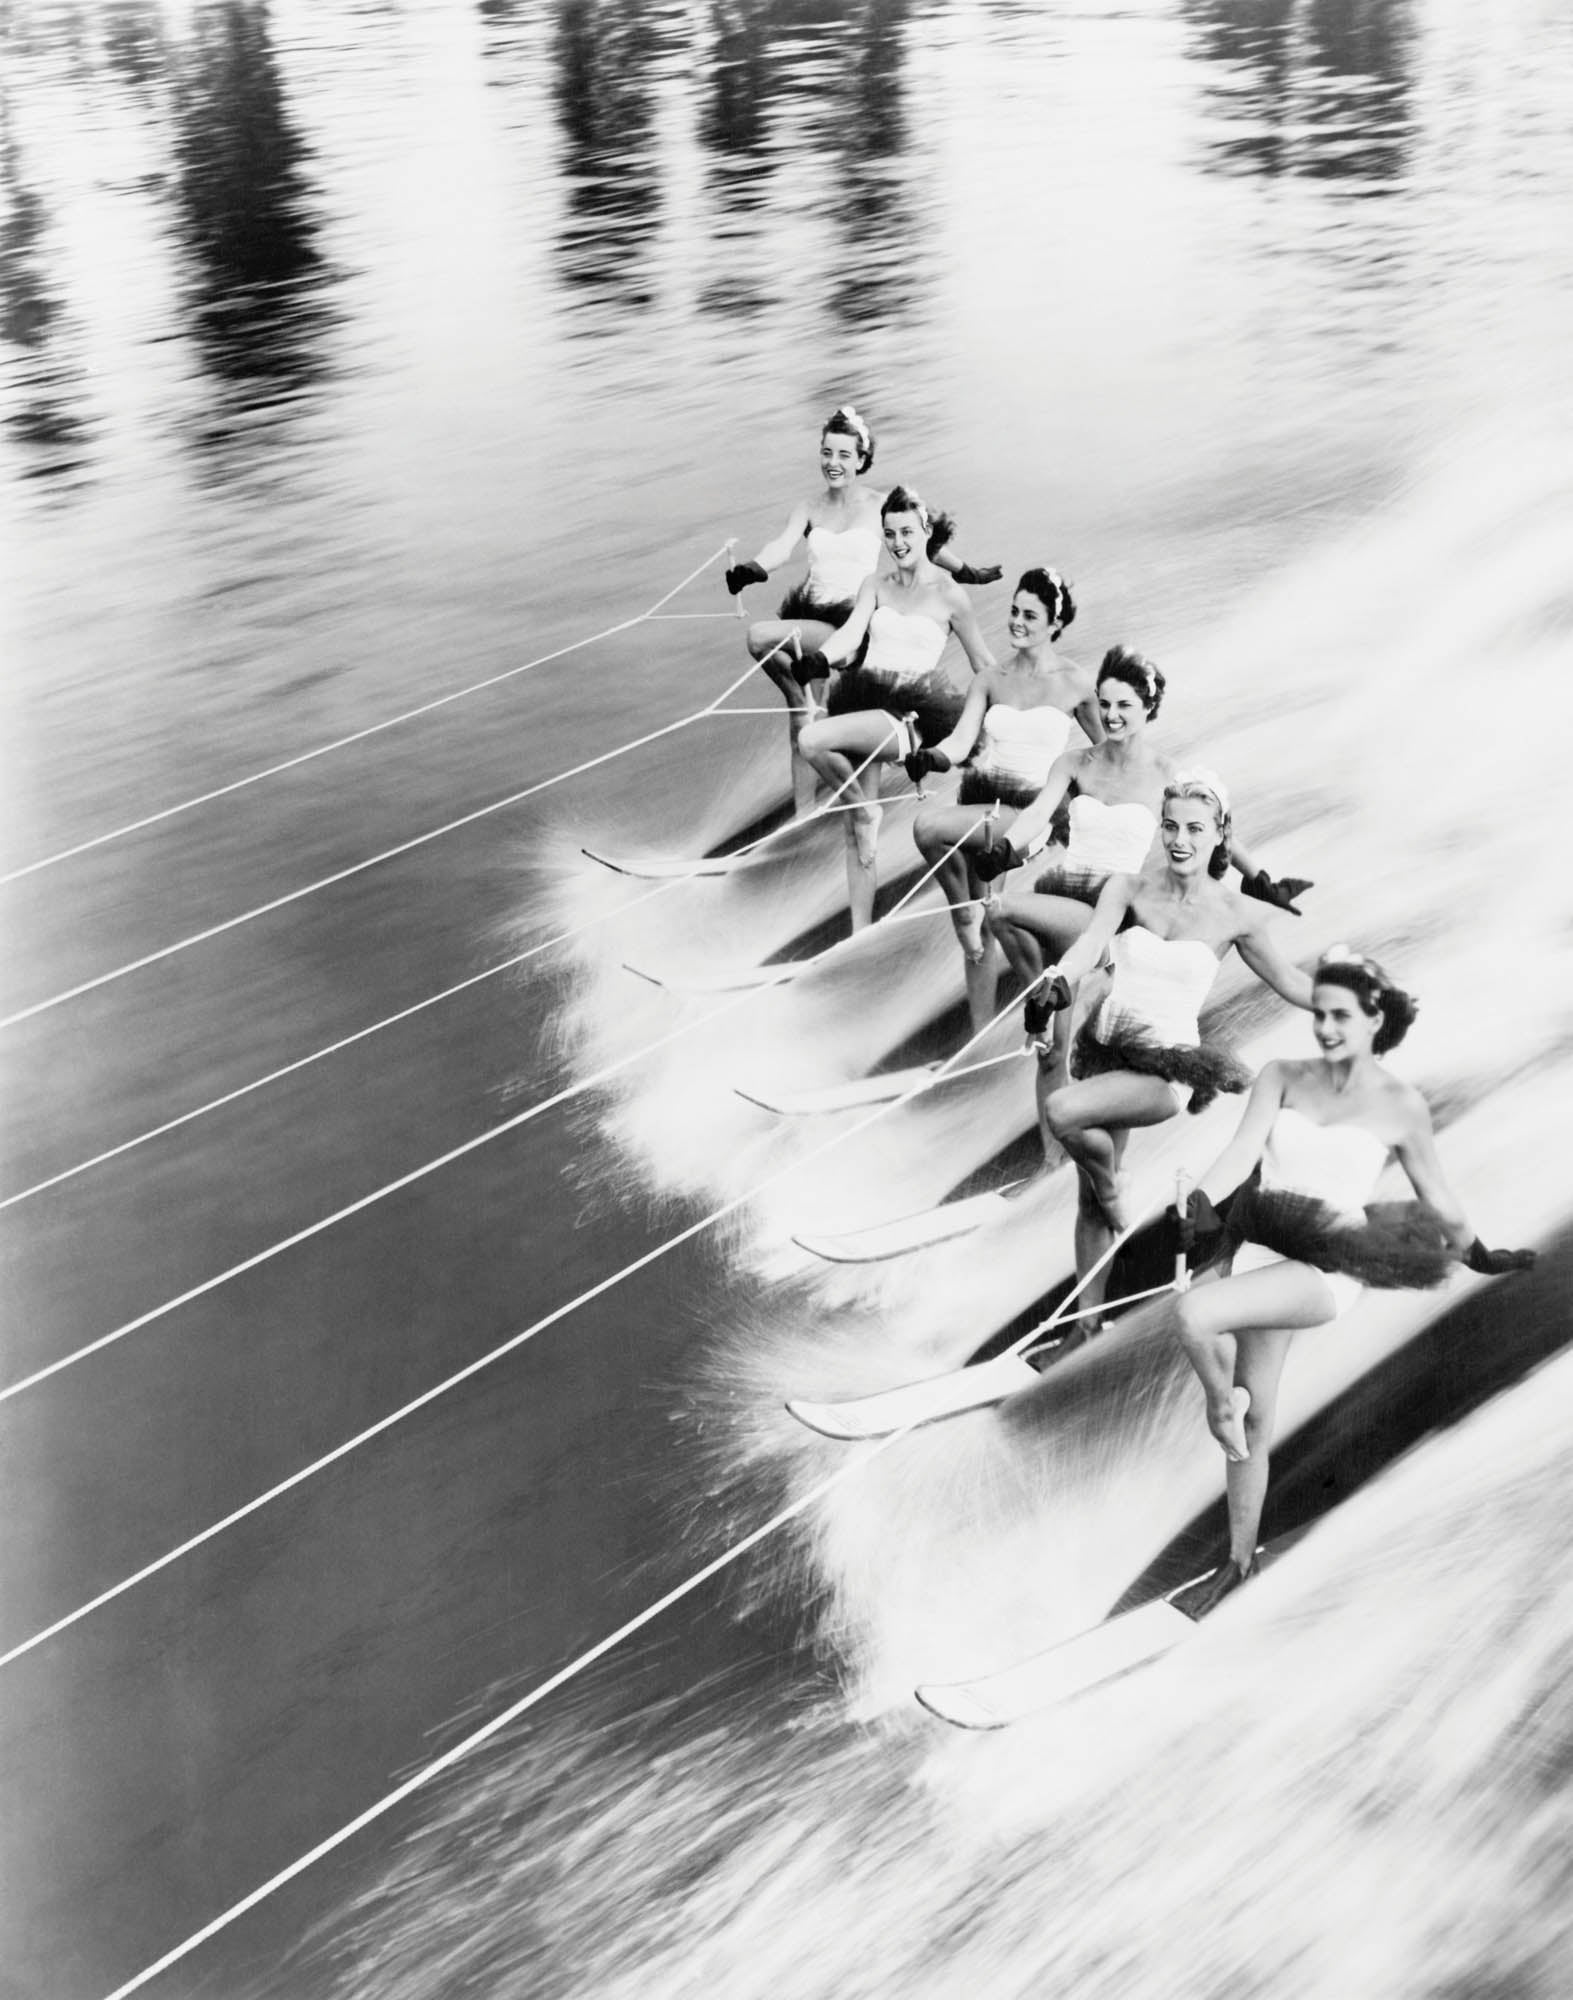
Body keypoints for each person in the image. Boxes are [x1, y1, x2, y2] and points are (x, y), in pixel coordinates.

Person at [1163, 948, 1538, 1614]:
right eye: (1319, 1013)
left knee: (1194, 1317)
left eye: (1340, 1016)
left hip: (1326, 1271)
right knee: (1259, 1415)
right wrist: (1201, 1205)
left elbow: (1440, 1199)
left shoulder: (1400, 1107)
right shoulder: (1279, 1075)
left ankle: (1217, 1406)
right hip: (1258, 1256)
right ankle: (1237, 1562)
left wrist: (1479, 1255)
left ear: (1373, 1019)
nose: (1326, 1027)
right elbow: (1239, 1152)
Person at [1027, 771, 1316, 1328]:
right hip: (1107, 1051)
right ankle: (1087, 1326)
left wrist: (1359, 1004)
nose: (1180, 840)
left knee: (1062, 1112)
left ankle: (1116, 1189)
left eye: (1195, 829)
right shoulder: (1127, 888)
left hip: (1169, 1073)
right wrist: (1060, 979)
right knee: (1087, 1203)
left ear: (1219, 835)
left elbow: (1293, 983)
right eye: (1171, 826)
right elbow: (1089, 944)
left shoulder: (1236, 915)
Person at [973, 646, 1311, 1024]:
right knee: (1049, 1053)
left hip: (1112, 910)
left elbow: (1213, 830)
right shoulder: (1073, 763)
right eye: (1104, 704)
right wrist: (1006, 847)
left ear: (1148, 707)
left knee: (1000, 909)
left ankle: (1052, 995)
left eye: (1124, 706)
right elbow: (1037, 812)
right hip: (1062, 901)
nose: (1111, 716)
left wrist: (1262, 880)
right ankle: (1046, 996)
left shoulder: (1168, 775)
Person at [724, 405, 1000, 814]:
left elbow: (925, 542)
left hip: (852, 628)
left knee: (760, 636)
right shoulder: (809, 507)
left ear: (861, 459)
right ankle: (804, 814)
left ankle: (845, 780)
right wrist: (753, 568)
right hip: (809, 617)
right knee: (802, 719)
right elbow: (781, 547)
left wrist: (967, 572)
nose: (833, 463)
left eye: (843, 455)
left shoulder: (880, 504)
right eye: (827, 453)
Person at [904, 568, 1103, 1028]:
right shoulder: (990, 678)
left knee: (927, 828)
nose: (1016, 621)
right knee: (985, 927)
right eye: (1014, 611)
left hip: (1029, 816)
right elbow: (959, 744)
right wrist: (929, 758)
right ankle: (978, 1034)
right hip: (983, 806)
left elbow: (1102, 759)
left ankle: (969, 921)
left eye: (1029, 615)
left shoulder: (1076, 684)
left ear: (1054, 624)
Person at [794, 485, 998, 929]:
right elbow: (850, 634)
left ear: (926, 531)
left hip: (909, 719)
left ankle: (867, 810)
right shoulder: (875, 585)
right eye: (889, 534)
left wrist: (1013, 710)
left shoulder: (950, 596)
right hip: (864, 704)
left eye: (907, 531)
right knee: (856, 833)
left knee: (811, 740)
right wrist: (822, 657)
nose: (898, 543)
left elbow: (985, 666)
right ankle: (859, 932)